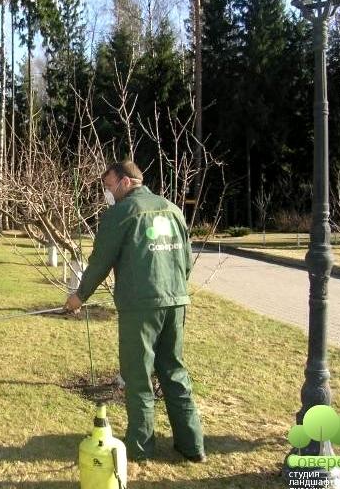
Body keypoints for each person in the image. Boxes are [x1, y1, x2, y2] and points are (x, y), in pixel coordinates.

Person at [64, 160, 205, 463]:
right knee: (174, 370)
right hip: (176, 301)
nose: (108, 192)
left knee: (138, 375)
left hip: (140, 306)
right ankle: (192, 445)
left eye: (109, 185)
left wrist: (79, 296)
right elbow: (187, 259)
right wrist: (176, 290)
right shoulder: (173, 208)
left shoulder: (121, 213)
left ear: (126, 182)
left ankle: (140, 448)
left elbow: (101, 260)